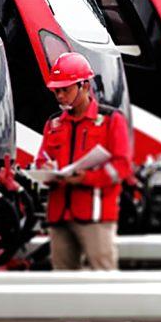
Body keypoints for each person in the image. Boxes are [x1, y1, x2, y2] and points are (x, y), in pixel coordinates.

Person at [36, 51, 132, 270]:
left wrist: (86, 178)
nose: (60, 96)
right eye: (56, 91)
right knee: (63, 281)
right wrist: (47, 169)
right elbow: (42, 160)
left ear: (85, 86)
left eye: (65, 90)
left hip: (95, 215)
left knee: (103, 276)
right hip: (59, 213)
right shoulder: (54, 124)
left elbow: (122, 167)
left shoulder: (111, 120)